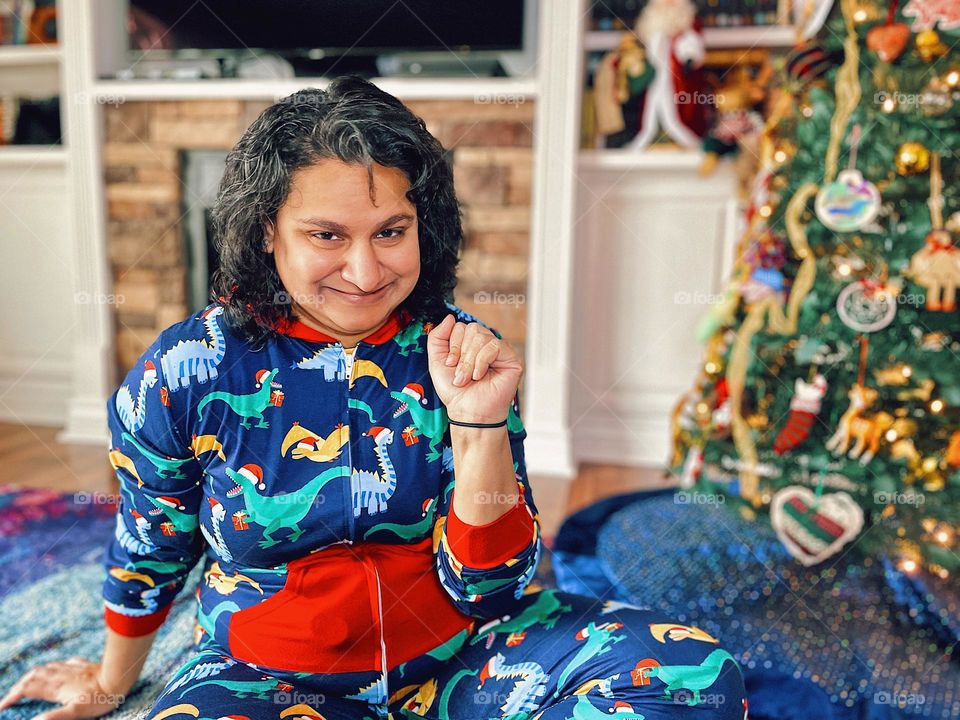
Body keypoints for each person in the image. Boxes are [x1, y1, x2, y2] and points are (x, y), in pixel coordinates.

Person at [0, 76, 747, 720]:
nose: (364, 271)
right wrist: (108, 681)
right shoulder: (188, 368)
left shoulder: (461, 351)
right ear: (267, 232)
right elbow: (152, 543)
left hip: (465, 659)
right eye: (326, 235)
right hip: (269, 677)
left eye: (392, 230)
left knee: (694, 677)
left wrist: (479, 421)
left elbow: (493, 586)